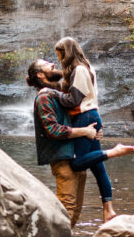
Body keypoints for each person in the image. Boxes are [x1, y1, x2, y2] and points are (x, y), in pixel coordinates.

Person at [47, 37, 134, 222]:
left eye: (60, 56)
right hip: (92, 115)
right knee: (98, 167)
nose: (59, 60)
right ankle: (108, 209)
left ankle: (114, 151)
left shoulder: (80, 70)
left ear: (67, 53)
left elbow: (73, 100)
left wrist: (52, 92)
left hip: (85, 116)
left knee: (77, 163)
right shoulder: (87, 67)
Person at [26, 60, 94, 227]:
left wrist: (93, 129)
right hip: (63, 160)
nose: (52, 63)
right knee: (66, 212)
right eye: (45, 63)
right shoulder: (43, 97)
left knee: (74, 213)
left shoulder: (59, 95)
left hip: (76, 157)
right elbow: (53, 130)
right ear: (40, 74)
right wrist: (84, 131)